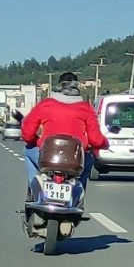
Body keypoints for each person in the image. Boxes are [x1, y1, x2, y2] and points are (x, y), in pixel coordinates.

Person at [20, 71, 109, 213]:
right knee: (89, 161)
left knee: (27, 150)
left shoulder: (46, 104)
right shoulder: (85, 108)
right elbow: (95, 140)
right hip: (75, 161)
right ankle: (78, 198)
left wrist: (35, 141)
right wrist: (105, 143)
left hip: (47, 158)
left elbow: (27, 134)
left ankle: (34, 189)